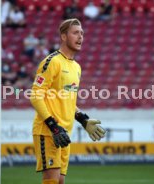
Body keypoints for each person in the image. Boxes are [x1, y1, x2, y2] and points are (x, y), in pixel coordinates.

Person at [30, 18, 106, 184]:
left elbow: (67, 100)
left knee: (60, 181)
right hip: (48, 131)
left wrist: (83, 119)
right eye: (75, 33)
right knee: (51, 180)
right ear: (63, 36)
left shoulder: (76, 67)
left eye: (82, 33)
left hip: (64, 133)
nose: (80, 37)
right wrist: (53, 126)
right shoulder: (52, 62)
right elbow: (35, 95)